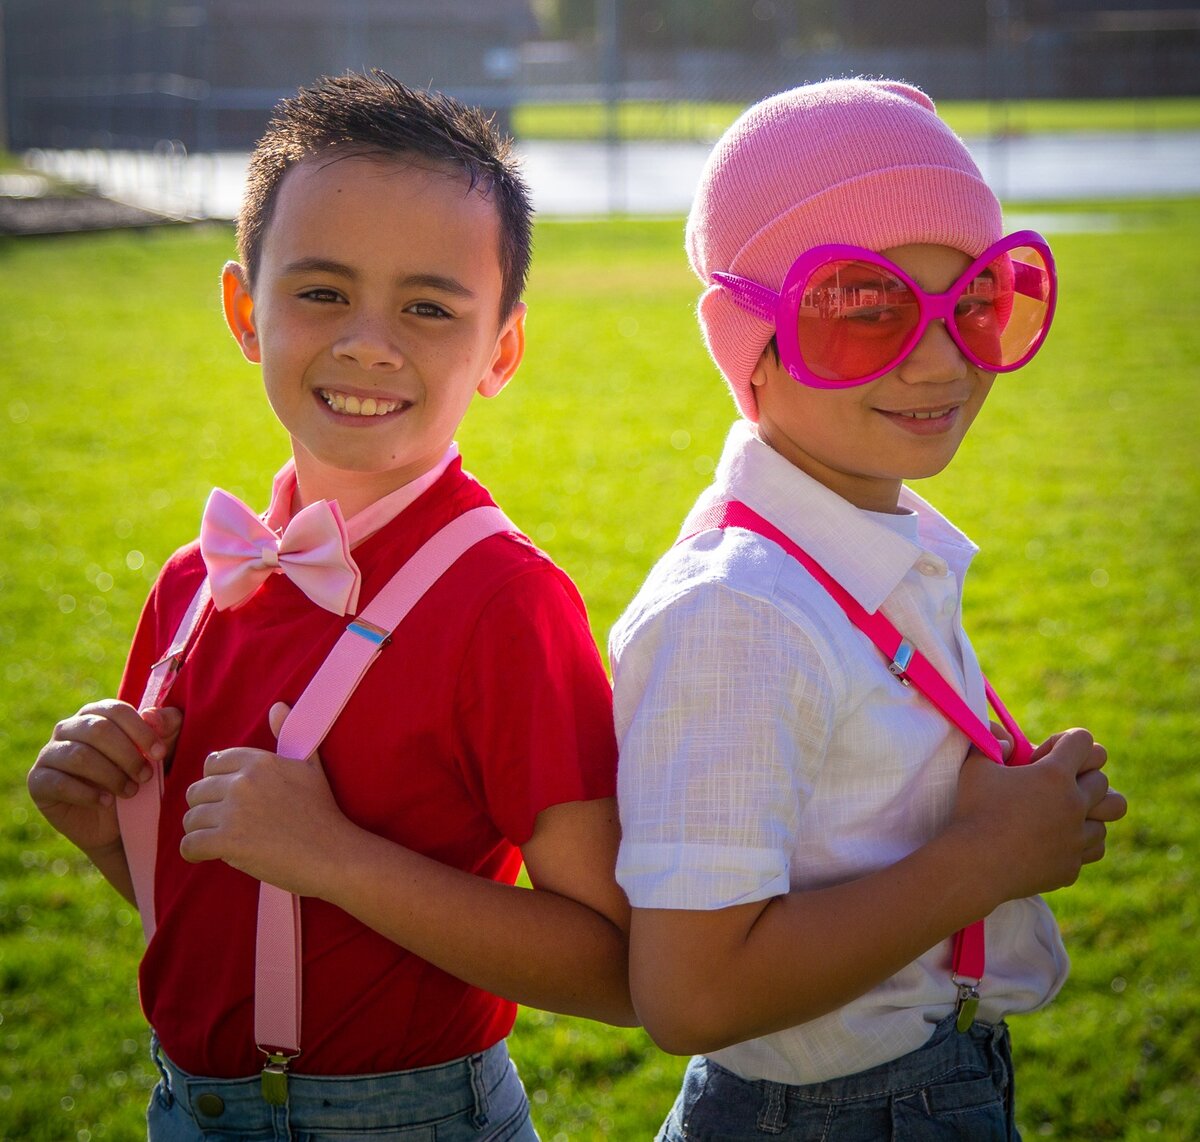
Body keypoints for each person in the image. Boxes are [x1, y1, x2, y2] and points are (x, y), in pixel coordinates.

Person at [28, 71, 632, 1141]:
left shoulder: (506, 603)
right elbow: (236, 903)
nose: (367, 341)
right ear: (242, 310)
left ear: (501, 348)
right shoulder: (194, 584)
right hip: (184, 1105)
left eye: (429, 307)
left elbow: (614, 964)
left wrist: (336, 854)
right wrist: (105, 829)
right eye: (320, 292)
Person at [610, 79, 1128, 1140]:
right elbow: (691, 993)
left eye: (977, 301)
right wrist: (986, 858)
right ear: (746, 342)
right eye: (865, 311)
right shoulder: (741, 614)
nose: (940, 359)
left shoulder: (860, 547)